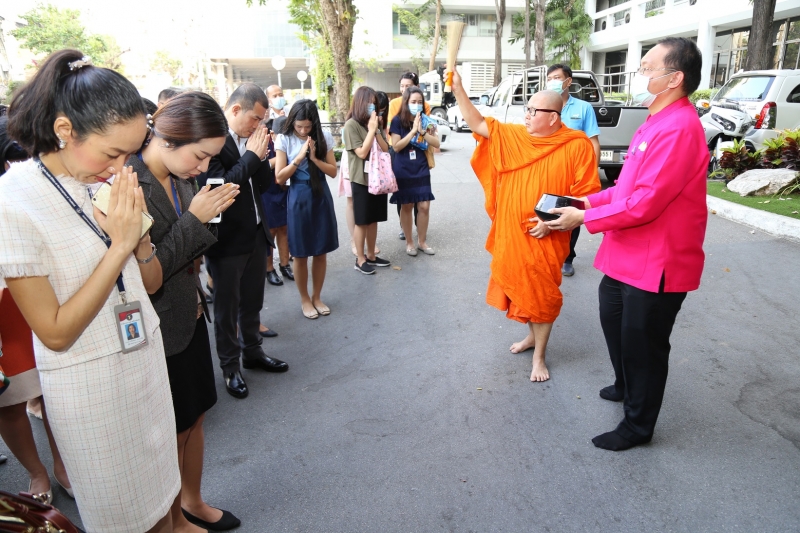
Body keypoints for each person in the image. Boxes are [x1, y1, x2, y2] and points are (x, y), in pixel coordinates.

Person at [1, 49, 178, 533]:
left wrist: (140, 243)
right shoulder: (14, 201)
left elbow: (150, 282)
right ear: (65, 130)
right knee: (125, 518)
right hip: (90, 387)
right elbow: (55, 333)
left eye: (131, 153)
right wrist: (119, 245)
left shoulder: (107, 178)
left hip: (144, 358)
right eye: (111, 153)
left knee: (164, 500)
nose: (121, 166)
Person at [545, 38, 709, 451]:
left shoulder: (679, 128)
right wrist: (585, 202)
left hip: (658, 259)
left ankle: (637, 426)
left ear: (675, 78)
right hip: (628, 252)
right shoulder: (654, 121)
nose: (640, 73)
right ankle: (625, 384)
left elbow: (646, 202)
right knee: (613, 317)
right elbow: (625, 189)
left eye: (647, 67)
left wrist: (583, 218)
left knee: (644, 345)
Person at [130, 91, 243, 531]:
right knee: (174, 429)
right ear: (168, 138)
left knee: (196, 416)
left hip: (190, 313)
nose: (203, 167)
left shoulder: (181, 177)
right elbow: (149, 273)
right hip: (158, 325)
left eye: (210, 158)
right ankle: (174, 518)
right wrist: (197, 219)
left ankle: (192, 501)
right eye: (200, 156)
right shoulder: (129, 182)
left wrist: (208, 217)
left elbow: (190, 247)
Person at [451, 69, 601, 382]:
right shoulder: (515, 137)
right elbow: (477, 123)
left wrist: (552, 224)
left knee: (542, 296)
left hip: (546, 236)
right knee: (523, 290)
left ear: (553, 117)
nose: (527, 115)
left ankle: (539, 357)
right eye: (527, 109)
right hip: (512, 232)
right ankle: (532, 337)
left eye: (534, 111)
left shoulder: (576, 145)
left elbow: (585, 196)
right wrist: (459, 90)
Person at [197, 82, 288, 400]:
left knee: (252, 301)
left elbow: (263, 184)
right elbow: (219, 188)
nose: (258, 125)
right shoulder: (212, 139)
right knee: (226, 308)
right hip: (227, 240)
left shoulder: (252, 140)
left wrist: (261, 156)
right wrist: (251, 156)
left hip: (256, 232)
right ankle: (230, 367)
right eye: (255, 118)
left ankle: (253, 351)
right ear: (236, 109)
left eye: (262, 120)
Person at [0, 123, 72, 503]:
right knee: (7, 401)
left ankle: (64, 466)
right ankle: (36, 472)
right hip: (3, 311)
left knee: (51, 392)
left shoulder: (43, 183)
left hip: (36, 298)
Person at [274, 100, 339, 318]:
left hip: (320, 194)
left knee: (320, 251)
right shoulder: (284, 138)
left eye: (307, 126)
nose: (303, 130)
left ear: (314, 123)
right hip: (298, 196)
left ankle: (317, 297)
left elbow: (333, 171)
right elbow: (280, 177)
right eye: (299, 126)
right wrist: (299, 157)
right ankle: (304, 299)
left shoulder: (324, 137)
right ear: (292, 121)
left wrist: (314, 158)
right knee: (300, 253)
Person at [545, 63, 601, 278]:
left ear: (568, 81)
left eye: (557, 78)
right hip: (548, 170)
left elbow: (593, 141)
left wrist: (592, 171)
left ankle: (567, 257)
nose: (552, 82)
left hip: (574, 173)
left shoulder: (583, 108)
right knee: (546, 209)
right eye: (549, 78)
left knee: (572, 212)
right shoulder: (543, 105)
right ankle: (548, 252)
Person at [342, 86, 391, 275]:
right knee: (362, 221)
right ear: (360, 103)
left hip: (377, 178)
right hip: (361, 179)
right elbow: (361, 153)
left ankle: (371, 255)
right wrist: (371, 130)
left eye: (374, 104)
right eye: (369, 103)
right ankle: (360, 259)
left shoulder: (375, 123)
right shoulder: (351, 125)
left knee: (373, 219)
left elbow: (386, 148)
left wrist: (376, 130)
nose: (373, 107)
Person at [389, 87, 438, 256]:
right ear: (406, 102)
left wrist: (422, 131)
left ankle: (422, 242)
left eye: (419, 102)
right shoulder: (397, 121)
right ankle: (409, 242)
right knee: (407, 205)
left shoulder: (426, 120)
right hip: (403, 167)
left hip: (421, 166)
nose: (417, 105)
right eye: (413, 102)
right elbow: (396, 146)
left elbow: (436, 143)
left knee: (424, 205)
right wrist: (412, 131)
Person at [262, 116, 293, 290]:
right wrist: (281, 158)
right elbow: (260, 166)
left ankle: (285, 264)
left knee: (284, 229)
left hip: (285, 190)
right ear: (272, 133)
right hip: (268, 191)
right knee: (271, 231)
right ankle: (269, 268)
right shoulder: (265, 144)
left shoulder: (290, 142)